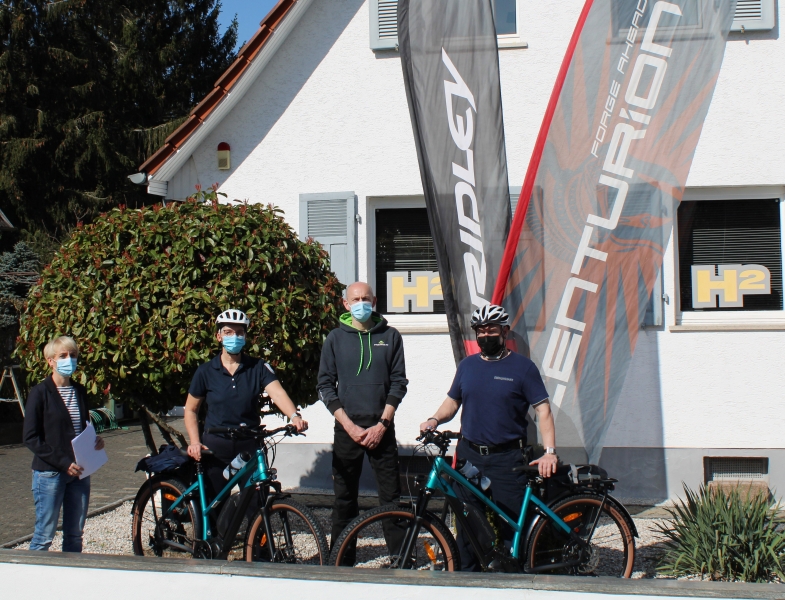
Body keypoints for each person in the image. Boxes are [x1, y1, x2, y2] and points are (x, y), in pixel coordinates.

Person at [419, 304, 558, 571]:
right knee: (468, 527)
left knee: (514, 528)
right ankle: (468, 583)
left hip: (508, 459)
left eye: (491, 329)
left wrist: (549, 451)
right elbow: (452, 401)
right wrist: (434, 419)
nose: (485, 335)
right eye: (480, 331)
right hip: (471, 457)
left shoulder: (523, 368)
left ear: (504, 331)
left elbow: (543, 410)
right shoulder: (467, 366)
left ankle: (514, 581)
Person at [317, 282, 408, 552]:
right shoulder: (334, 338)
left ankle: (400, 558)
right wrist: (349, 426)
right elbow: (324, 385)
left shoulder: (391, 336)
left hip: (382, 429)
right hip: (347, 430)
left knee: (391, 499)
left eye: (365, 298)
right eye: (355, 299)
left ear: (375, 300)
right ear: (345, 304)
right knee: (344, 499)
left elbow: (398, 383)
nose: (361, 303)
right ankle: (341, 560)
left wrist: (383, 424)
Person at [184, 309, 307, 499]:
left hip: (249, 444)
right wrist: (194, 442)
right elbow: (191, 410)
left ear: (246, 336)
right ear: (219, 336)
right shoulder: (205, 371)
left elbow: (278, 393)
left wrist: (294, 416)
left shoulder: (258, 367)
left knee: (256, 504)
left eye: (239, 333)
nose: (234, 337)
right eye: (228, 332)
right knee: (214, 505)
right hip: (216, 447)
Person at [23, 336, 105, 552]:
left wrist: (94, 439)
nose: (69, 360)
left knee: (75, 535)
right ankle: (32, 578)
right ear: (51, 360)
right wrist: (62, 462)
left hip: (80, 473)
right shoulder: (40, 393)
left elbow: (81, 427)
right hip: (50, 474)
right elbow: (30, 437)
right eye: (63, 356)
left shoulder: (79, 391)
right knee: (44, 535)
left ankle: (72, 579)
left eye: (73, 355)